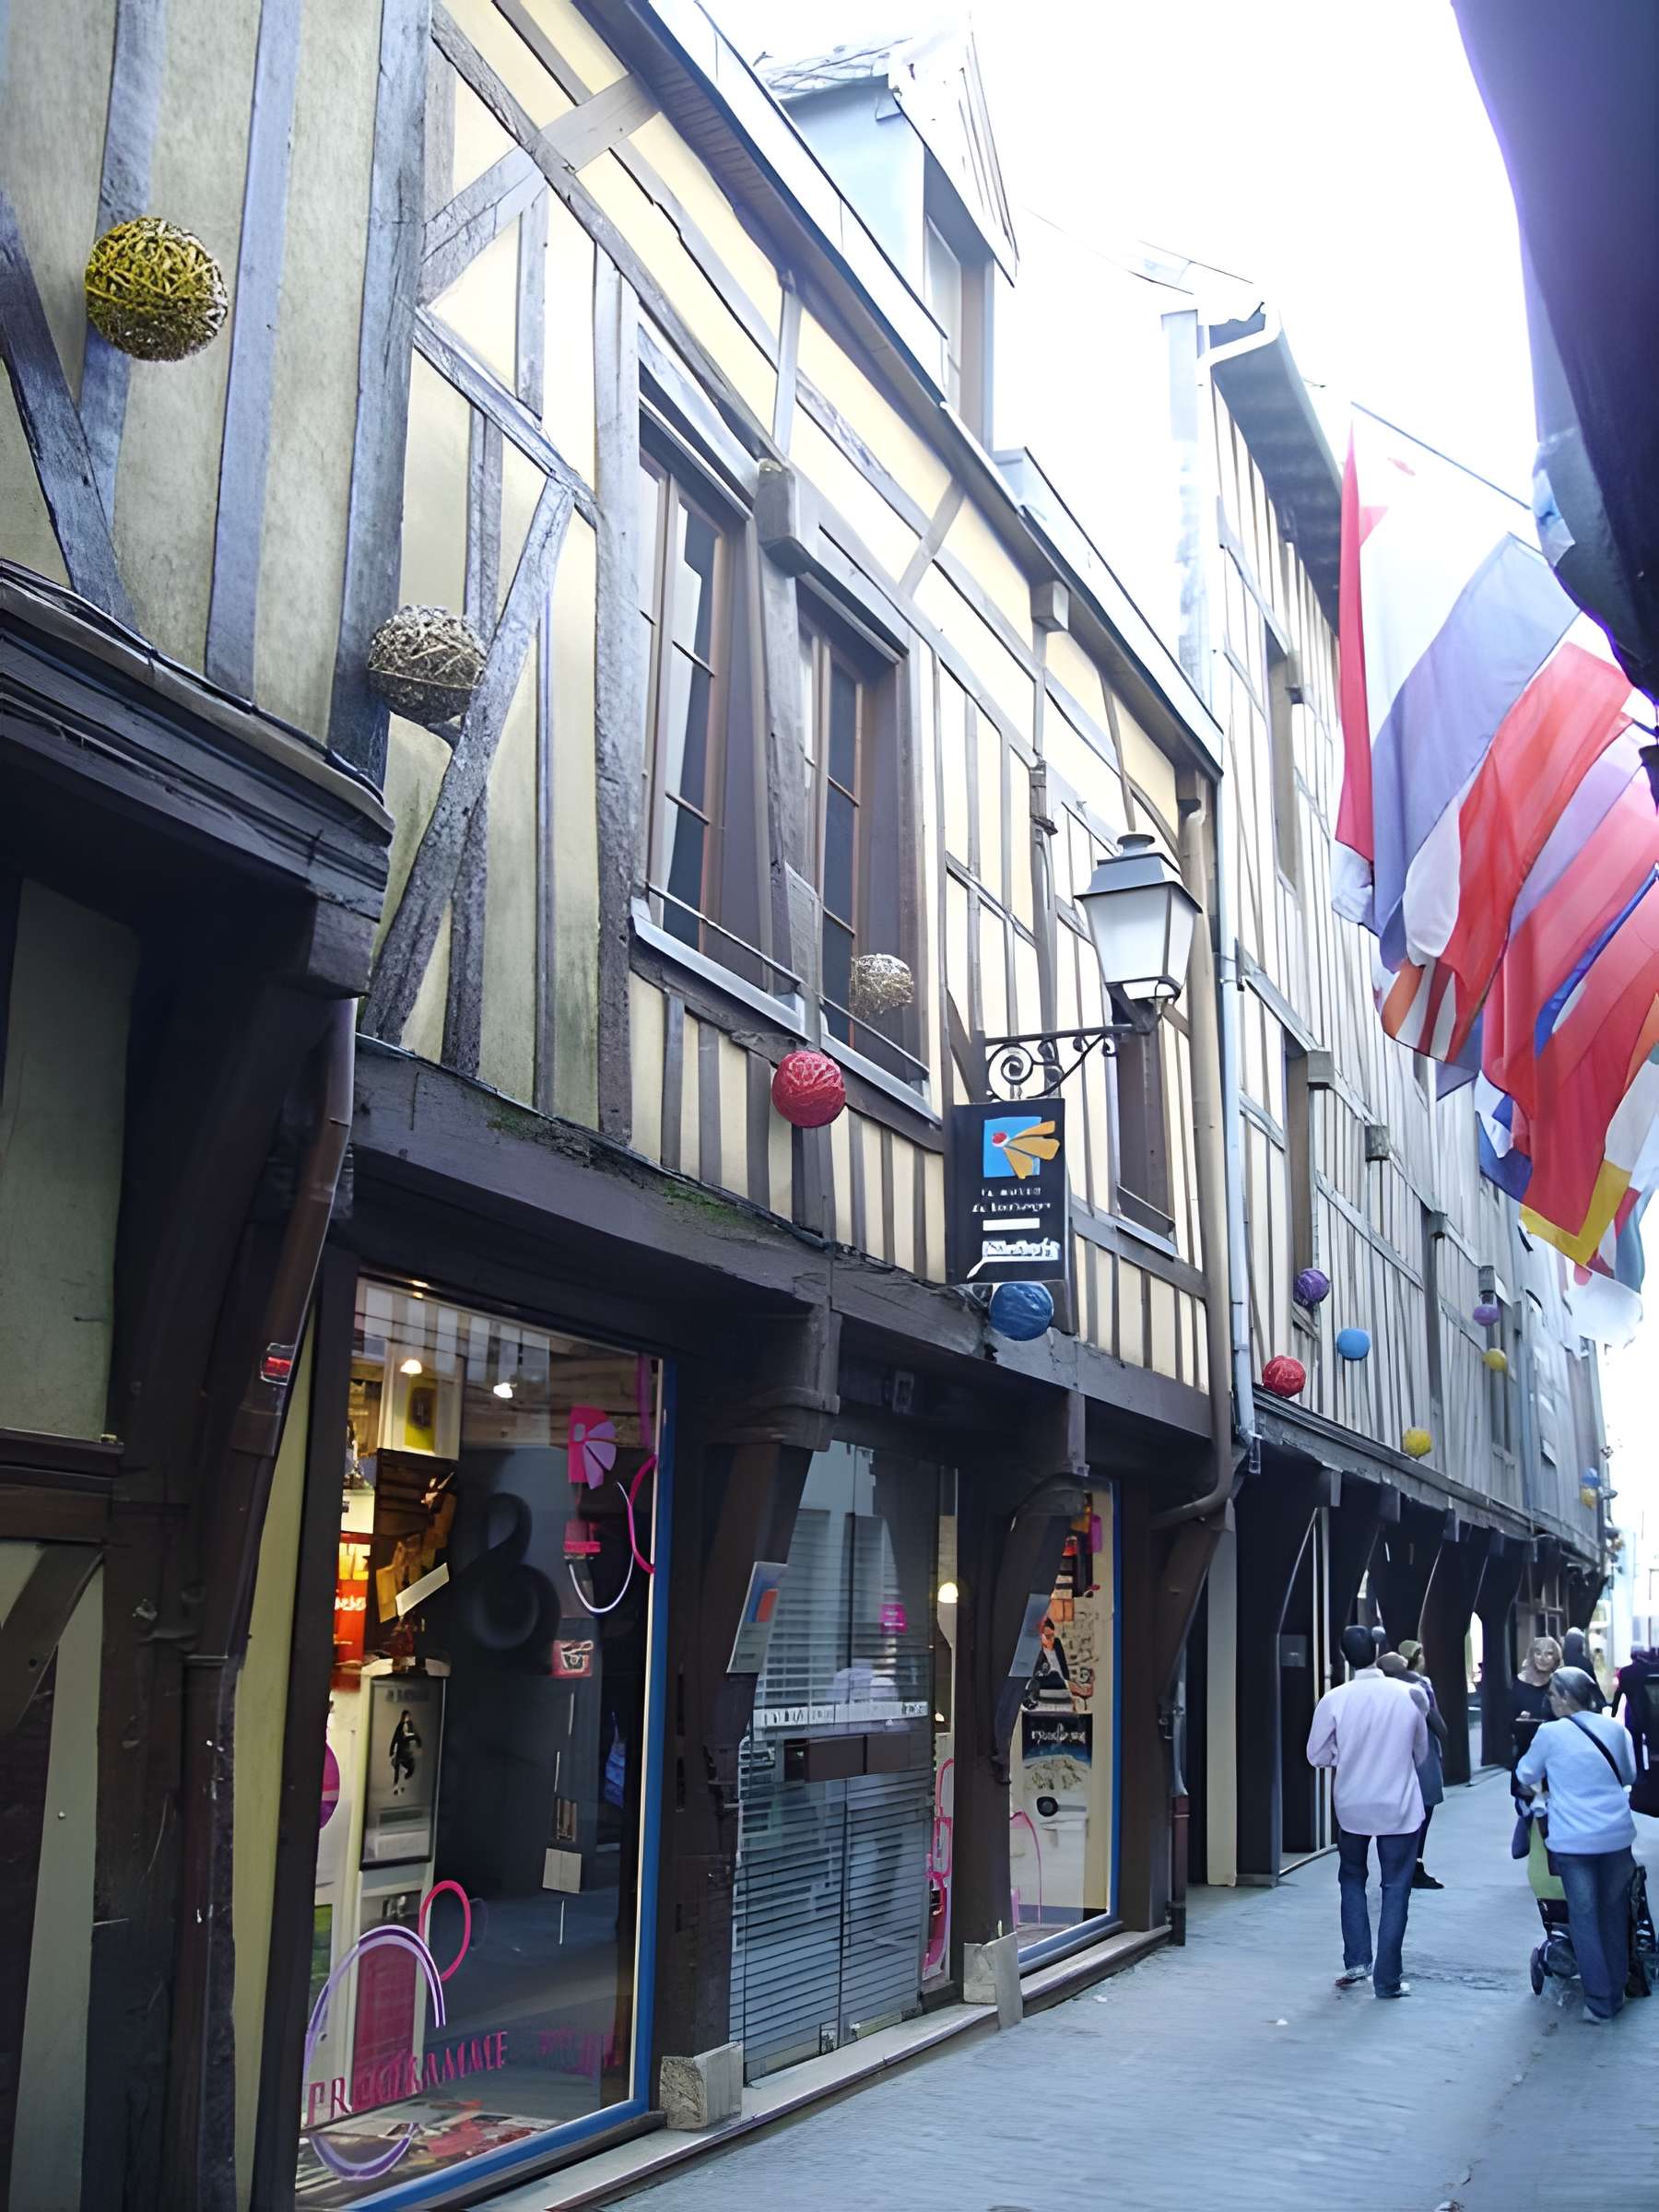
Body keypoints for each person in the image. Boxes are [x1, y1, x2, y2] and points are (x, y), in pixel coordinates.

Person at [1308, 1622, 1430, 1999]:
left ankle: (1357, 1960)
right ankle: (1388, 1980)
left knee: (1351, 1878)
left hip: (1353, 1802)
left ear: (1344, 1656)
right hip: (1399, 1803)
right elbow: (1421, 1751)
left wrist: (1345, 1755)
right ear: (1377, 1651)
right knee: (1396, 1887)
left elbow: (1316, 1754)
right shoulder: (1410, 1694)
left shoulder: (1334, 1699)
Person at [1515, 1664, 1638, 2022]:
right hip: (1616, 1836)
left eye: (1553, 1694)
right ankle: (1615, 1992)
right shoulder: (1615, 1729)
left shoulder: (1550, 1733)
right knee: (1614, 1913)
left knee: (1584, 1917)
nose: (1551, 1700)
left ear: (1566, 1697)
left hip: (1574, 1840)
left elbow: (1525, 1774)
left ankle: (1600, 2002)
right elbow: (1628, 1775)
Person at [1391, 1642, 1449, 1890]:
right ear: (1417, 1659)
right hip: (1422, 1752)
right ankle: (1415, 1865)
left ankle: (1401, 1865)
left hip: (1397, 1753)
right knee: (1424, 1809)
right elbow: (1437, 1723)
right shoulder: (1421, 1685)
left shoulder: (1390, 1685)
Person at [1511, 1635, 1562, 1771]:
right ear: (1531, 1656)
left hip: (1554, 1755)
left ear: (1556, 1658)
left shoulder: (1559, 1684)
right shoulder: (1515, 1684)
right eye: (1538, 1653)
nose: (1542, 1658)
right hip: (1524, 1753)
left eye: (1549, 1654)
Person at [1562, 1628, 1606, 1710]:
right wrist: (1603, 1703)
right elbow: (1593, 1686)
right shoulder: (1585, 1663)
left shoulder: (1560, 1662)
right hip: (1583, 1704)